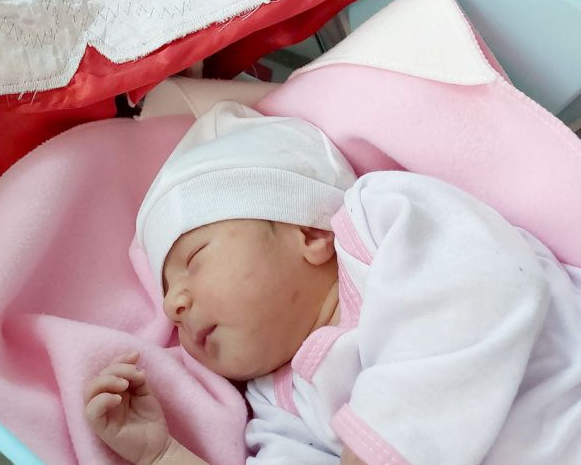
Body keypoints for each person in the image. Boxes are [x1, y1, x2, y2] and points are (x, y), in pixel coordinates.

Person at [84, 101, 581, 464]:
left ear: (310, 234)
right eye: (168, 293)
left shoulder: (378, 223)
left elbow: (483, 285)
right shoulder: (277, 405)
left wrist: (383, 442)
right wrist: (164, 456)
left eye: (194, 259)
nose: (172, 305)